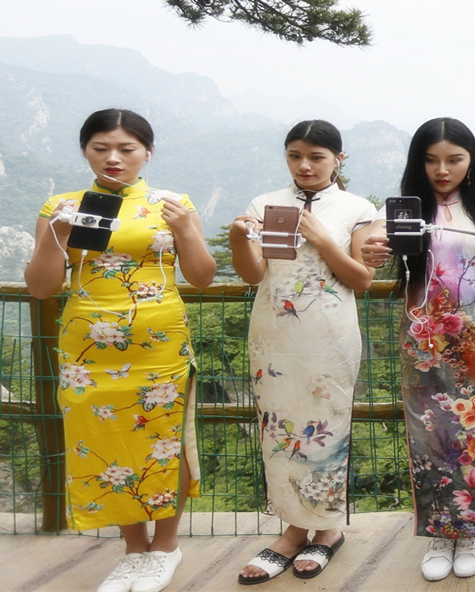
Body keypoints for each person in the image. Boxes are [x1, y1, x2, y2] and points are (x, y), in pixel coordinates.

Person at [25, 109, 216, 592]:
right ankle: (134, 551)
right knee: (105, 442)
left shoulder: (173, 202)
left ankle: (166, 547)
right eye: (100, 148)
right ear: (85, 151)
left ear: (147, 153)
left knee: (165, 442)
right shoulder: (60, 207)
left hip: (160, 344)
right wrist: (58, 237)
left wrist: (188, 230)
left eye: (127, 149)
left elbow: (202, 275)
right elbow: (42, 287)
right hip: (88, 352)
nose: (113, 158)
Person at [361, 118, 475, 582]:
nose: (442, 169)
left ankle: (474, 529)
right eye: (431, 160)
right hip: (424, 341)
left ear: (471, 161)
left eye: (454, 159)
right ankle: (440, 528)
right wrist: (372, 251)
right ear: (418, 162)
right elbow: (371, 248)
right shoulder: (403, 212)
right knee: (432, 437)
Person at [229, 121, 380, 584]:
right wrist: (239, 237)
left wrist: (320, 238)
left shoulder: (357, 207)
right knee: (278, 431)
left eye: (316, 156)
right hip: (273, 336)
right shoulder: (264, 204)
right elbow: (254, 275)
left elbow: (360, 279)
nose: (305, 165)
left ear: (338, 158)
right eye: (295, 155)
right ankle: (293, 532)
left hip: (329, 337)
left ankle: (326, 530)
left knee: (327, 429)